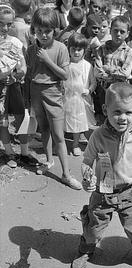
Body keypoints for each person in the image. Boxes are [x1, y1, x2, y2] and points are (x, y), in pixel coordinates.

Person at [70, 82, 132, 268]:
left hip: (130, 193)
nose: (123, 118)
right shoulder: (97, 135)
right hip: (102, 193)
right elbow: (87, 160)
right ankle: (85, 250)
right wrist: (87, 176)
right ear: (105, 110)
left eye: (128, 112)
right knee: (93, 231)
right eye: (117, 112)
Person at [25, 8, 82, 190]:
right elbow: (29, 75)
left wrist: (47, 61)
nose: (43, 35)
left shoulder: (61, 48)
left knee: (58, 135)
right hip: (35, 92)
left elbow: (65, 75)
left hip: (53, 93)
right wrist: (28, 100)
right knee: (44, 129)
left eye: (47, 31)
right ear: (34, 29)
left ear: (55, 30)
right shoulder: (32, 49)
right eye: (39, 30)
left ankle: (66, 174)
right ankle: (49, 161)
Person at [0, 4, 39, 168]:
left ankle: (24, 152)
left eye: (9, 24)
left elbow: (23, 67)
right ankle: (9, 152)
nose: (5, 27)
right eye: (1, 23)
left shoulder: (15, 42)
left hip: (15, 88)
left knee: (22, 118)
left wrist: (15, 77)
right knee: (2, 121)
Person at [94, 15, 132, 125]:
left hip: (120, 93)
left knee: (118, 119)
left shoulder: (128, 52)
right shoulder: (101, 49)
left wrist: (107, 69)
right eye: (115, 30)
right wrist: (115, 72)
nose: (118, 34)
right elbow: (97, 72)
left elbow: (125, 73)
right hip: (103, 90)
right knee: (103, 119)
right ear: (110, 31)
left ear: (127, 34)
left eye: (122, 31)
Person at [64, 33, 96, 156]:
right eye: (73, 49)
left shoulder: (87, 66)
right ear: (69, 49)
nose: (76, 53)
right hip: (67, 98)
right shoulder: (65, 64)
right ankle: (60, 143)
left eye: (79, 50)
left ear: (84, 50)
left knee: (78, 122)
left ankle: (75, 144)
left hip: (81, 100)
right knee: (64, 120)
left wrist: (88, 90)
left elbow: (93, 83)